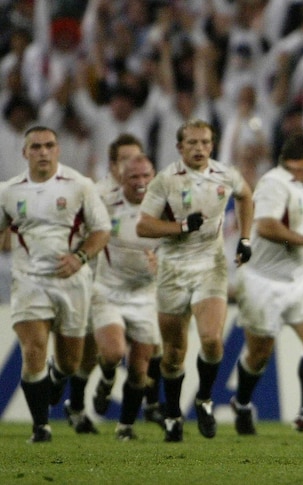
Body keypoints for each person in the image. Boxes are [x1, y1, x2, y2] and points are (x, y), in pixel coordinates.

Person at [136, 119, 254, 442]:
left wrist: (245, 238)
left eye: (205, 142)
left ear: (212, 145)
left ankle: (203, 399)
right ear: (179, 148)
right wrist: (181, 227)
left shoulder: (225, 174)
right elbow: (143, 226)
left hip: (210, 266)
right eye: (192, 143)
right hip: (172, 269)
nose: (199, 148)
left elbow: (246, 195)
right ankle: (173, 414)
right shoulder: (164, 181)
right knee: (173, 353)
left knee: (213, 339)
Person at [0, 126, 111, 443]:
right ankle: (41, 427)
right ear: (25, 153)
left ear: (58, 150)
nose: (43, 152)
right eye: (36, 147)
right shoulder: (9, 191)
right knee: (33, 348)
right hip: (28, 280)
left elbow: (101, 231)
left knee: (69, 362)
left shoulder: (80, 186)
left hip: (72, 281)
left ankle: (57, 376)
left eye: (49, 145)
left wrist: (80, 256)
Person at [229, 134, 303, 437]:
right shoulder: (274, 183)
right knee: (259, 353)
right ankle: (243, 403)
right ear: (296, 163)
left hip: (300, 280)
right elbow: (266, 226)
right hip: (263, 280)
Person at [89, 153, 161, 441]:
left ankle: (125, 427)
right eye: (134, 177)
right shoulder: (106, 204)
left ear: (153, 176)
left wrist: (164, 263)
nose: (141, 182)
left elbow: (182, 247)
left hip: (144, 295)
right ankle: (106, 378)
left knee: (139, 368)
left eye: (146, 176)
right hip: (108, 291)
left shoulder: (165, 209)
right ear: (122, 178)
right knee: (114, 352)